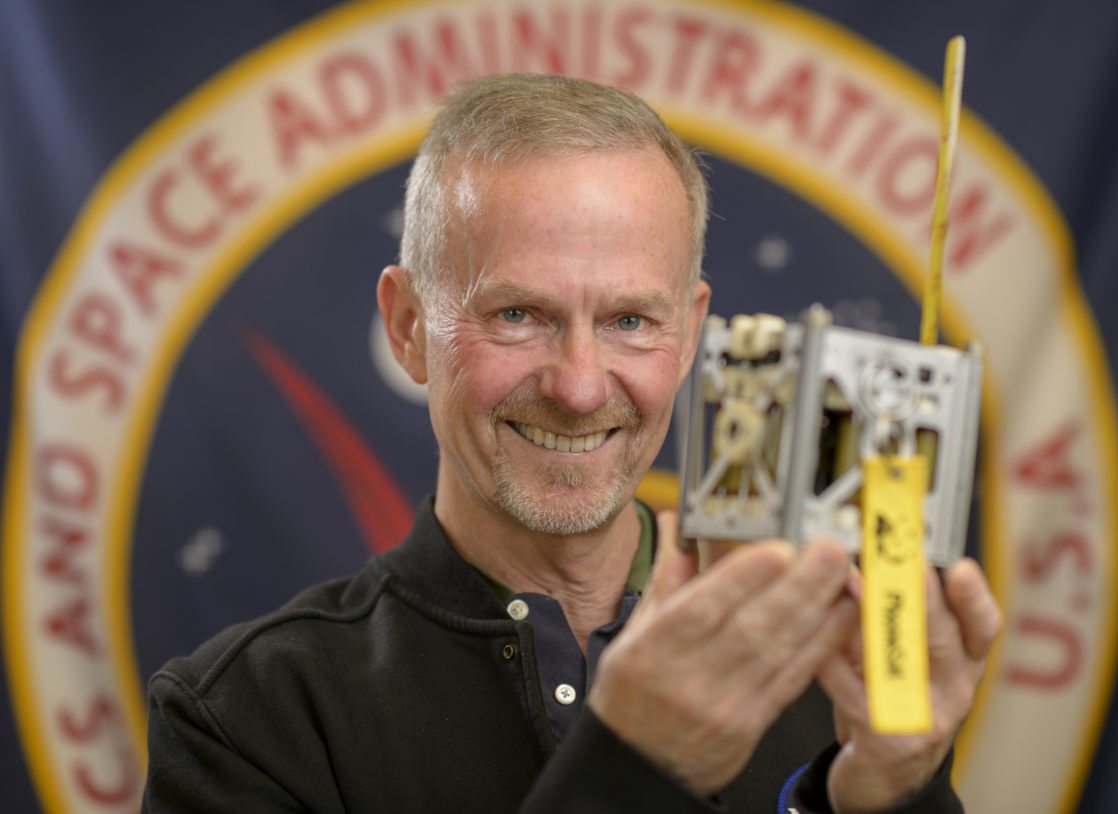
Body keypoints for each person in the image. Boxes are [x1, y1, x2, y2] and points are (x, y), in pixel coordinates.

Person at [143, 73, 1001, 813]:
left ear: (693, 331)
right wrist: (638, 768)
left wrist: (888, 796)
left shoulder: (840, 663)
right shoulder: (242, 719)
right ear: (408, 327)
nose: (581, 386)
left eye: (631, 320)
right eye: (519, 315)